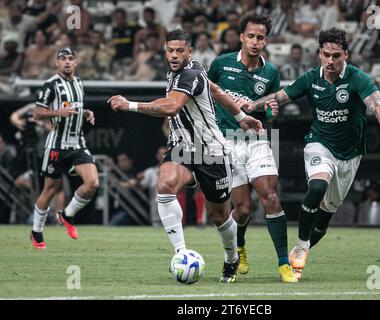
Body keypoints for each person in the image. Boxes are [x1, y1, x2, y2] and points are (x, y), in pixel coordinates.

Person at [107, 29, 263, 283]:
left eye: (180, 51)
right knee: (165, 183)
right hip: (182, 147)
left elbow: (172, 106)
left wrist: (130, 105)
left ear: (190, 52)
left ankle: (232, 257)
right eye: (170, 50)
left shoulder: (189, 74)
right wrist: (241, 117)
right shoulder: (187, 70)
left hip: (211, 152)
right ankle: (181, 253)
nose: (174, 55)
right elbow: (217, 91)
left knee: (219, 217)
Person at [250, 27, 380, 279]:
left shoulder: (358, 79)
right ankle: (300, 246)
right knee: (317, 186)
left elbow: (377, 104)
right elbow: (279, 96)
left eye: (336, 56)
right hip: (319, 143)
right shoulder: (311, 79)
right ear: (319, 54)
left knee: (324, 220)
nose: (330, 61)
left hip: (350, 154)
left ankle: (306, 246)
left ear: (347, 55)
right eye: (326, 55)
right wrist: (250, 105)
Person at [208, 13, 297, 283]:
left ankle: (284, 264)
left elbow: (269, 114)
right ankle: (239, 249)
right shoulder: (221, 64)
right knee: (243, 210)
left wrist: (269, 114)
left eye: (260, 38)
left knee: (270, 197)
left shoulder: (271, 73)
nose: (255, 42)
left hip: (256, 142)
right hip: (226, 142)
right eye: (251, 36)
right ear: (242, 37)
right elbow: (206, 97)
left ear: (266, 41)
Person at [29, 47, 99, 249]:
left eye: (70, 58)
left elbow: (76, 106)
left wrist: (85, 113)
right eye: (63, 59)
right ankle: (36, 231)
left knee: (93, 183)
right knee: (50, 189)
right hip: (57, 145)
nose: (67, 62)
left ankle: (67, 214)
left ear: (76, 62)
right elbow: (36, 113)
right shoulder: (50, 85)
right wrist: (58, 112)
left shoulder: (79, 82)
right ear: (57, 63)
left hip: (77, 143)